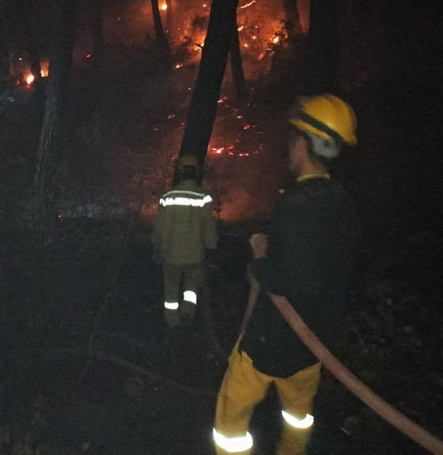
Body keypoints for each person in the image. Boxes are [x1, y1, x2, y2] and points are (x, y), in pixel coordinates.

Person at [212, 94, 360, 455]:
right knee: (298, 419)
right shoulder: (344, 202)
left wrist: (259, 256)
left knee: (231, 420)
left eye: (294, 138)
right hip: (313, 345)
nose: (290, 146)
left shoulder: (295, 204)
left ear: (305, 143)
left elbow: (284, 280)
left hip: (270, 342)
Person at [152, 154, 218, 329]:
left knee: (171, 291)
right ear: (196, 173)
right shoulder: (203, 198)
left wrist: (157, 246)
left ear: (180, 172)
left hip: (171, 255)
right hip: (195, 256)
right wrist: (211, 248)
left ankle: (172, 324)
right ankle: (188, 317)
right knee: (191, 289)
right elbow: (209, 228)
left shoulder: (168, 197)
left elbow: (160, 227)